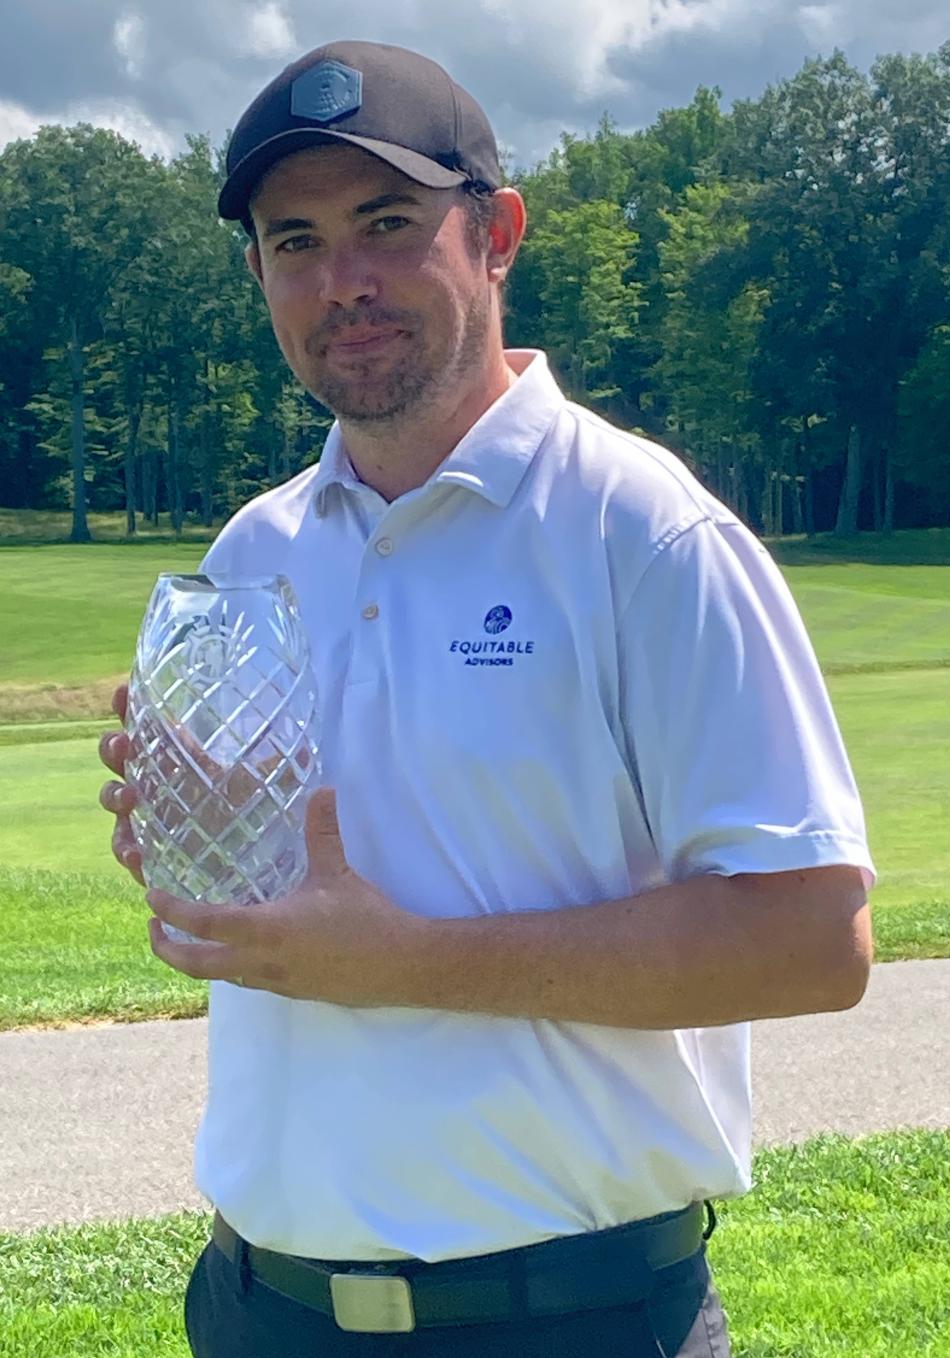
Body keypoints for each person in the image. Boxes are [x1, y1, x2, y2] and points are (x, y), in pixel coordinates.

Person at [98, 38, 876, 1358]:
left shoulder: (645, 533)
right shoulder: (252, 555)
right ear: (259, 276)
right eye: (296, 242)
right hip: (261, 1309)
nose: (343, 280)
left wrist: (402, 966)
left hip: (566, 1318)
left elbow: (814, 939)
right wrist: (207, 859)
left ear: (497, 232)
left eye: (387, 223)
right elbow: (295, 904)